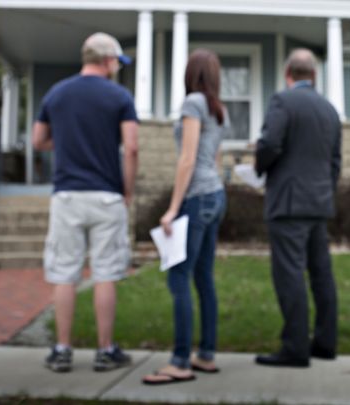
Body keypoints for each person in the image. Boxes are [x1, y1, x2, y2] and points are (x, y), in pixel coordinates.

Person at [32, 32, 139, 373]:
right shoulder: (120, 96)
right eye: (116, 64)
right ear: (108, 60)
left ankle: (62, 349)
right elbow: (132, 148)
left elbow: (38, 141)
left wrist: (64, 145)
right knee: (105, 272)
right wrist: (128, 190)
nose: (116, 70)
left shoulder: (57, 93)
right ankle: (105, 351)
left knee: (65, 273)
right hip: (107, 194)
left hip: (66, 195)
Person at [142, 49, 229, 385]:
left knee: (179, 277)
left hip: (196, 197)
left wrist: (173, 207)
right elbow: (216, 159)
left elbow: (187, 159)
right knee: (203, 277)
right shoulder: (219, 109)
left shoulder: (193, 103)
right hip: (216, 195)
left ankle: (180, 361)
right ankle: (205, 354)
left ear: (191, 74)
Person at [254, 48, 342, 368]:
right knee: (321, 274)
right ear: (314, 76)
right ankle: (325, 343)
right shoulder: (330, 110)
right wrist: (324, 191)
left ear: (288, 74)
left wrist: (259, 166)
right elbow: (335, 162)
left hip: (288, 203)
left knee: (289, 274)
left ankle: (294, 348)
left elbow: (270, 144)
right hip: (319, 202)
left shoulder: (282, 101)